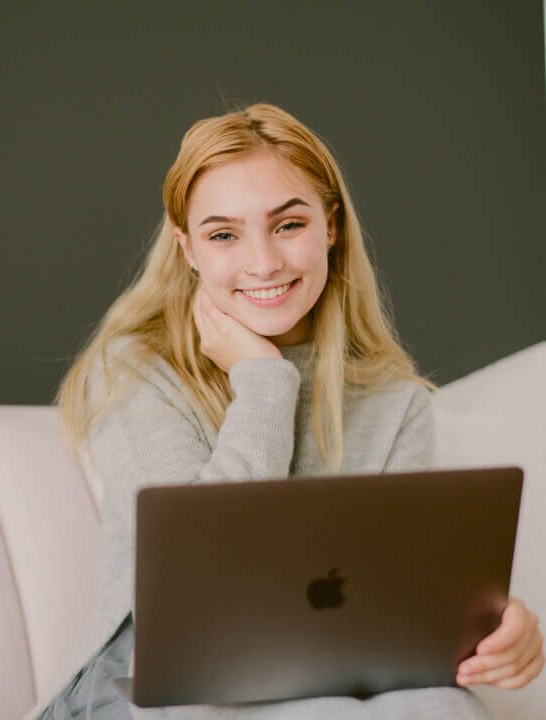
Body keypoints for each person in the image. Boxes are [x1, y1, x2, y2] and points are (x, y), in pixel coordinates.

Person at [40, 103, 544, 720]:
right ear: (188, 249)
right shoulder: (137, 370)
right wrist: (263, 381)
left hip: (317, 677)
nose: (263, 262)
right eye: (224, 234)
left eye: (288, 225)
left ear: (330, 226)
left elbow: (392, 604)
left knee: (445, 705)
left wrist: (491, 625)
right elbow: (203, 583)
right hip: (154, 687)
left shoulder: (395, 402)